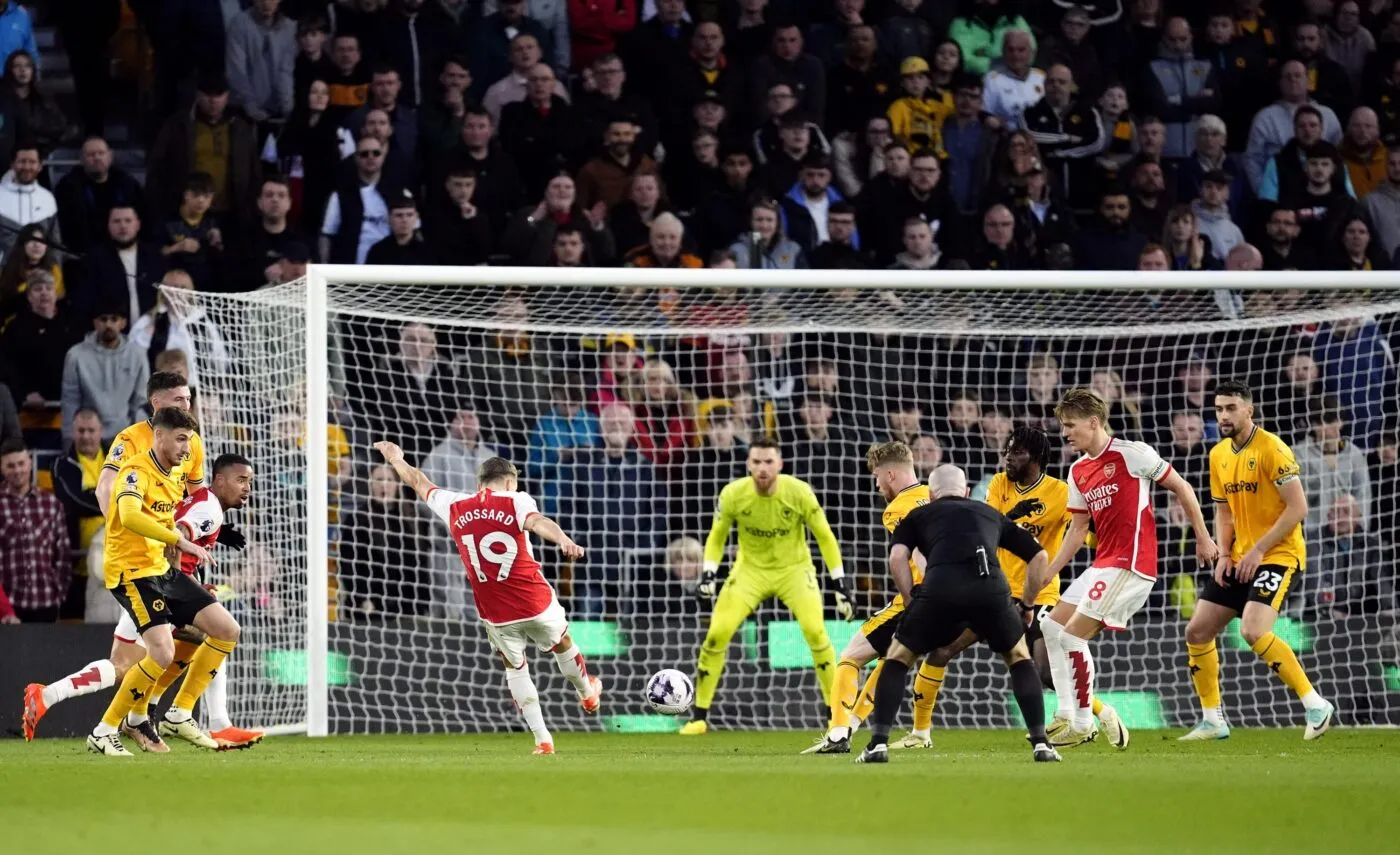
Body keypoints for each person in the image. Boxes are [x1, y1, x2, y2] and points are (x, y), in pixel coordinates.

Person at [373, 443, 601, 755]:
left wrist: (396, 458)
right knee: (562, 642)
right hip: (534, 599)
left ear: (479, 484)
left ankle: (543, 740)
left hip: (495, 610)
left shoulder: (456, 504)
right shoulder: (515, 499)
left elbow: (418, 482)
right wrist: (563, 539)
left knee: (515, 668)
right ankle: (587, 693)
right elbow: (537, 522)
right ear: (510, 482)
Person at [1026, 388, 1217, 748]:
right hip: (1103, 565)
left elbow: (1183, 488)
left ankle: (1084, 722)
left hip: (1131, 565)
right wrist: (1049, 572)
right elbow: (1078, 529)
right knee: (1049, 625)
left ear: (1093, 422)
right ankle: (1067, 715)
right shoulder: (1078, 470)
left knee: (1071, 637)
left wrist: (1203, 538)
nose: (1065, 432)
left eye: (1070, 425)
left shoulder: (1132, 454)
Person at [853, 463, 1061, 765]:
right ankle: (1041, 744)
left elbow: (897, 557)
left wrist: (912, 600)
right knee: (1019, 657)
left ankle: (878, 744)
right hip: (990, 589)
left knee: (897, 658)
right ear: (965, 491)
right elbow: (1039, 556)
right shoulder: (989, 513)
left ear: (931, 494)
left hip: (940, 589)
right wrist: (1027, 604)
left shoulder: (918, 514)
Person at [1180, 380, 1334, 742]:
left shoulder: (1273, 450)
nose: (1224, 415)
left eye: (1231, 408)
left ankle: (1315, 704)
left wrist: (1259, 550)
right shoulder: (1217, 454)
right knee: (1197, 630)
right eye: (1219, 409)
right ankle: (1212, 720)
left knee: (1252, 629)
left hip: (1278, 554)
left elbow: (1299, 508)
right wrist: (1221, 554)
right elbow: (1223, 512)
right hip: (1240, 556)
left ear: (1249, 410)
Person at [84, 408, 238, 757]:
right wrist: (180, 540)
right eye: (181, 439)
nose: (187, 447)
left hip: (163, 569)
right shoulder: (136, 471)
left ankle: (179, 712)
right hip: (131, 572)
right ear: (159, 436)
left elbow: (170, 514)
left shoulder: (178, 471)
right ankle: (105, 730)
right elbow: (129, 515)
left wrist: (177, 550)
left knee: (225, 629)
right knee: (163, 651)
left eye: (190, 440)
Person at [680, 437, 852, 735]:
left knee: (816, 632)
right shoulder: (733, 494)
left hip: (794, 571)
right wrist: (708, 574)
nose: (762, 468)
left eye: (768, 462)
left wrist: (840, 582)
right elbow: (717, 536)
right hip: (750, 571)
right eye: (756, 462)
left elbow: (824, 535)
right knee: (716, 634)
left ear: (780, 464)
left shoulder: (798, 492)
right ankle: (699, 717)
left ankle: (834, 715)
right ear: (748, 464)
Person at [804, 441, 934, 755]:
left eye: (876, 477)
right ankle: (851, 727)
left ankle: (837, 733)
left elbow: (913, 555)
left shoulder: (898, 508)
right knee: (891, 659)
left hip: (921, 596)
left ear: (890, 474)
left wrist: (922, 593)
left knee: (850, 656)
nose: (876, 485)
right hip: (961, 595)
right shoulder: (935, 495)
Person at [0, 437, 70, 623]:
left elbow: (62, 555)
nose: (17, 470)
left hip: (47, 602)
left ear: (30, 463)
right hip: (9, 606)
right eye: (11, 466)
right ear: (2, 469)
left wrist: (59, 595)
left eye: (21, 463)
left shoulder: (52, 504)